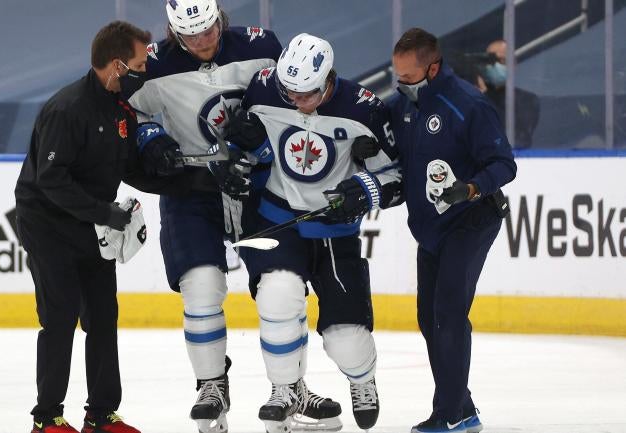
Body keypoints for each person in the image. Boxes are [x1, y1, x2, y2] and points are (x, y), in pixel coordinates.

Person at [126, 2, 340, 432]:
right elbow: (132, 113)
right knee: (201, 288)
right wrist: (151, 138)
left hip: (263, 188)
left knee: (282, 288)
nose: (203, 41)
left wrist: (260, 135)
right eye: (190, 36)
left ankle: (292, 388)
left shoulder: (261, 45)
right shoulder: (152, 63)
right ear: (172, 31)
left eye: (209, 30)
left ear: (219, 18)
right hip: (191, 191)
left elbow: (297, 99)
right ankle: (211, 386)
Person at [15, 21, 206, 433]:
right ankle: (47, 418)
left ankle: (100, 415)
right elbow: (51, 180)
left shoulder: (120, 108)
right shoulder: (66, 110)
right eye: (139, 63)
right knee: (61, 318)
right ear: (117, 65)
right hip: (48, 226)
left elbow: (131, 168)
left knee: (103, 317)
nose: (145, 69)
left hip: (91, 226)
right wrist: (105, 214)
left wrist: (194, 180)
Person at [223, 33, 403, 432]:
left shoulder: (365, 110)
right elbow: (245, 145)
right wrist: (239, 154)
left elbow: (399, 178)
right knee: (278, 294)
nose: (295, 101)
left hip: (334, 230)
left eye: (305, 94)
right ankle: (285, 388)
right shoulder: (265, 88)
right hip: (275, 217)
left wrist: (365, 189)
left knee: (347, 339)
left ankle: (362, 379)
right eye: (289, 92)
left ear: (328, 81)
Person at [386, 28, 517, 433]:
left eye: (408, 77)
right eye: (397, 76)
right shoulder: (400, 107)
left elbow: (504, 164)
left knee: (447, 312)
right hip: (430, 227)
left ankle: (452, 412)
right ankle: (463, 404)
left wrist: (472, 187)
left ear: (433, 67)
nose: (401, 84)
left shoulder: (468, 105)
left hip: (472, 219)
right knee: (429, 316)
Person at [483, 40, 540, 148]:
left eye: (502, 61)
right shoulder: (471, 97)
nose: (495, 65)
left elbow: (519, 136)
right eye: (490, 60)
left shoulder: (528, 100)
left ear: (514, 65)